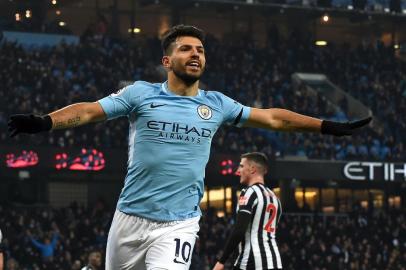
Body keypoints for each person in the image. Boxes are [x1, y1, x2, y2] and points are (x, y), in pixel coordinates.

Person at [8, 25, 371, 269]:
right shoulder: (141, 94)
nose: (195, 54)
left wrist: (328, 127)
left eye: (199, 49)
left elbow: (274, 118)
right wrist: (45, 121)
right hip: (129, 218)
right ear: (168, 61)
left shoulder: (218, 104)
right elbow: (90, 111)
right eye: (185, 49)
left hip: (178, 224)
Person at [213, 152, 282, 270]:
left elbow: (239, 230)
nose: (237, 171)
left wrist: (221, 261)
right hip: (275, 261)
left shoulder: (249, 192)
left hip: (252, 261)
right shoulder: (274, 197)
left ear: (252, 169)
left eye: (241, 166)